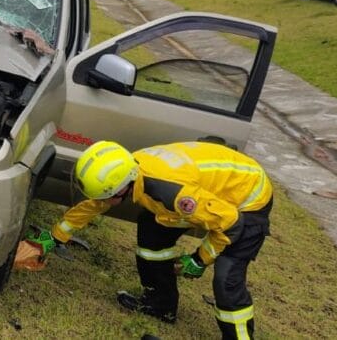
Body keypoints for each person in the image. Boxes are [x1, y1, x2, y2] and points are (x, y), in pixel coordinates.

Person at [43, 140, 273, 339]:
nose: (101, 200)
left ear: (122, 188)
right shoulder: (129, 171)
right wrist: (55, 236)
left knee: (226, 278)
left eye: (107, 195)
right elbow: (94, 204)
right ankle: (161, 305)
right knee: (151, 231)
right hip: (211, 193)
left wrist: (199, 259)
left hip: (247, 201)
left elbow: (231, 223)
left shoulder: (173, 194)